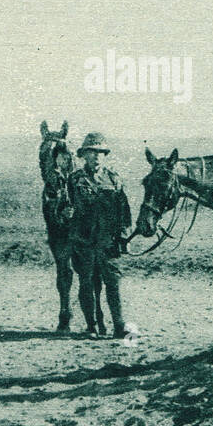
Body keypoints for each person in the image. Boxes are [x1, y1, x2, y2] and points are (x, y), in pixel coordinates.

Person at [68, 132, 133, 338]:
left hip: (107, 241)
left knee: (113, 283)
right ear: (84, 155)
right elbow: (66, 206)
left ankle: (119, 325)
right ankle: (91, 326)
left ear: (105, 155)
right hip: (83, 241)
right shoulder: (75, 179)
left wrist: (124, 236)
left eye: (100, 152)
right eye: (92, 152)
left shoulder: (114, 179)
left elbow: (124, 210)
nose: (96, 156)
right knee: (86, 282)